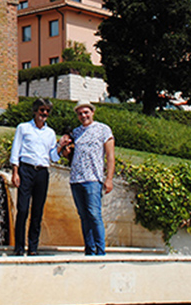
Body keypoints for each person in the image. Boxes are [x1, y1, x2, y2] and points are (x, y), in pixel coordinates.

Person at [10, 98, 64, 256]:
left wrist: (60, 146)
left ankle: (33, 247)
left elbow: (53, 157)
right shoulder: (23, 128)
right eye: (42, 110)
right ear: (35, 111)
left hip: (42, 172)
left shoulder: (50, 133)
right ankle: (19, 247)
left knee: (38, 211)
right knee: (23, 209)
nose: (44, 113)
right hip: (26, 170)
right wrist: (15, 172)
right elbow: (16, 150)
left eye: (47, 111)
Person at [61, 100, 115, 256]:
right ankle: (89, 250)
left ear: (92, 112)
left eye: (86, 112)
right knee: (83, 216)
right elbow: (68, 155)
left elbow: (110, 156)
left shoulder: (103, 130)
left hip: (93, 178)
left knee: (94, 214)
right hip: (76, 179)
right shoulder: (76, 132)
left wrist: (109, 178)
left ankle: (100, 250)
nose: (83, 116)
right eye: (80, 114)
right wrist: (64, 147)